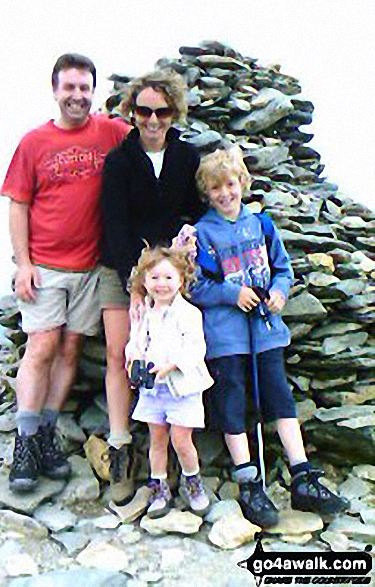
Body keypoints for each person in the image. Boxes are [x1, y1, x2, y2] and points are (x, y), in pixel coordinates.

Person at [191, 147, 349, 527]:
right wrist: (232, 293)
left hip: (265, 330)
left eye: (231, 184)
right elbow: (195, 286)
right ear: (207, 193)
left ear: (243, 183)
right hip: (225, 336)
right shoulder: (200, 233)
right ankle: (248, 480)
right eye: (216, 188)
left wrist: (279, 292)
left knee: (279, 396)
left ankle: (303, 476)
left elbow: (282, 269)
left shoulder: (261, 225)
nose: (225, 193)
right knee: (231, 398)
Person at [0, 53, 129, 493]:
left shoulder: (111, 131)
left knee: (71, 349)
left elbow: (153, 143)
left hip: (92, 267)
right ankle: (26, 440)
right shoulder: (34, 142)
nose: (77, 95)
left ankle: (47, 434)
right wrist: (23, 263)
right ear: (55, 90)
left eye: (84, 87)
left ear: (93, 91)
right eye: (69, 87)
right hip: (46, 266)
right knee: (41, 348)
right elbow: (18, 203)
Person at [99, 69, 205, 505]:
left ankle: (188, 456)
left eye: (161, 111)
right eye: (143, 110)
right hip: (125, 267)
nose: (152, 119)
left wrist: (173, 269)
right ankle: (123, 446)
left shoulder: (187, 158)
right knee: (119, 351)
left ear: (173, 112)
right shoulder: (119, 162)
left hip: (173, 274)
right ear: (131, 112)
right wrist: (135, 283)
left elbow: (194, 212)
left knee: (180, 347)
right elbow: (115, 224)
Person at [125, 246, 213, 518]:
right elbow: (135, 344)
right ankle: (159, 486)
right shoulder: (144, 314)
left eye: (168, 278)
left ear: (181, 281)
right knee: (157, 439)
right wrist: (134, 363)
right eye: (153, 278)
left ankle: (192, 481)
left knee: (181, 438)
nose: (160, 284)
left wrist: (171, 365)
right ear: (143, 281)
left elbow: (196, 348)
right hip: (153, 389)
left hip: (182, 388)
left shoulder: (189, 314)